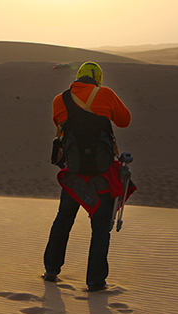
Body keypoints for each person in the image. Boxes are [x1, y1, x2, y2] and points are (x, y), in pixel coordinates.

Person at [43, 61, 131, 292]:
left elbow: (59, 124)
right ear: (98, 79)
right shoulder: (106, 94)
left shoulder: (59, 100)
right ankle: (95, 281)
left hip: (74, 176)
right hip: (102, 175)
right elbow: (124, 120)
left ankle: (51, 270)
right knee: (101, 226)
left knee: (63, 220)